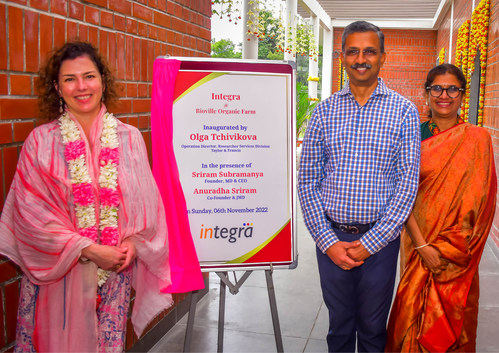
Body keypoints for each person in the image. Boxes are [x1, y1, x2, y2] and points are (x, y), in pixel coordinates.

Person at [0, 41, 173, 352]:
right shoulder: (40, 142)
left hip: (112, 280)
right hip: (55, 277)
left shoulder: (130, 139)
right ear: (57, 87)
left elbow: (149, 209)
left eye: (89, 76)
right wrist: (88, 250)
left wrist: (133, 244)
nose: (81, 86)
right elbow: (29, 216)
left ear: (103, 81)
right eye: (69, 79)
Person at [298, 20, 420, 352]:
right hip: (331, 239)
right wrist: (328, 242)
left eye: (369, 51)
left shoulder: (404, 112)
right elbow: (307, 181)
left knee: (371, 329)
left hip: (380, 243)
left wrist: (370, 243)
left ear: (382, 57)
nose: (360, 58)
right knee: (339, 326)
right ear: (342, 57)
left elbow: (406, 186)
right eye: (352, 51)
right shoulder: (323, 113)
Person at [386, 64, 496, 353]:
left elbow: (484, 203)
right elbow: (400, 194)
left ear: (462, 95)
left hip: (459, 253)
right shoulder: (411, 137)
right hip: (416, 241)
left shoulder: (477, 139)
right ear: (427, 93)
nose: (443, 95)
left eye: (452, 89)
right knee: (412, 312)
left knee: (454, 316)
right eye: (436, 88)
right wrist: (424, 247)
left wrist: (452, 249)